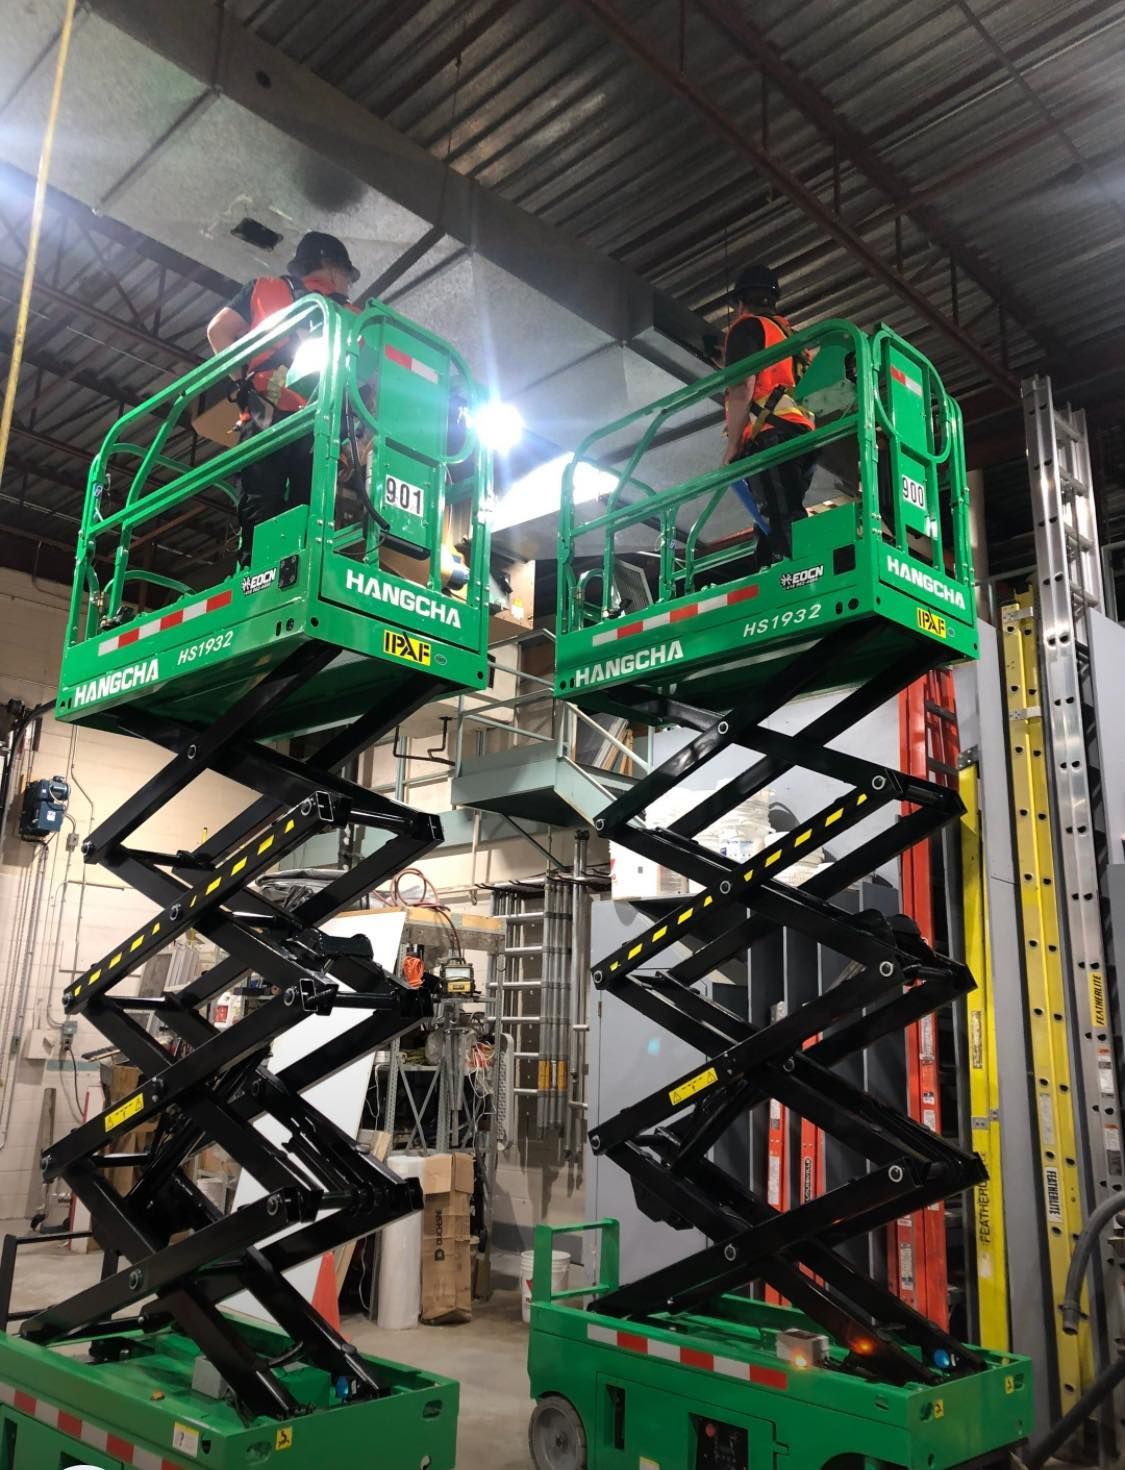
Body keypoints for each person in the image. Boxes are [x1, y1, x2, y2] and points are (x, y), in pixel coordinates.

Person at [206, 231, 360, 565]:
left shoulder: (264, 289)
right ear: (333, 269)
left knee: (261, 507)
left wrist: (244, 383)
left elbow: (217, 331)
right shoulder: (354, 317)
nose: (348, 284)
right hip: (319, 426)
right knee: (311, 515)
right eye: (348, 276)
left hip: (265, 417)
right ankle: (300, 571)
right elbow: (373, 379)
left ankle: (260, 575)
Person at [722, 263, 816, 565]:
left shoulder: (747, 327)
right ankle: (772, 565)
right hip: (803, 435)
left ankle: (802, 575)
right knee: (776, 514)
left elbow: (742, 387)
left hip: (771, 434)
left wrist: (732, 445)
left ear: (740, 303)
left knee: (781, 517)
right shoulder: (791, 337)